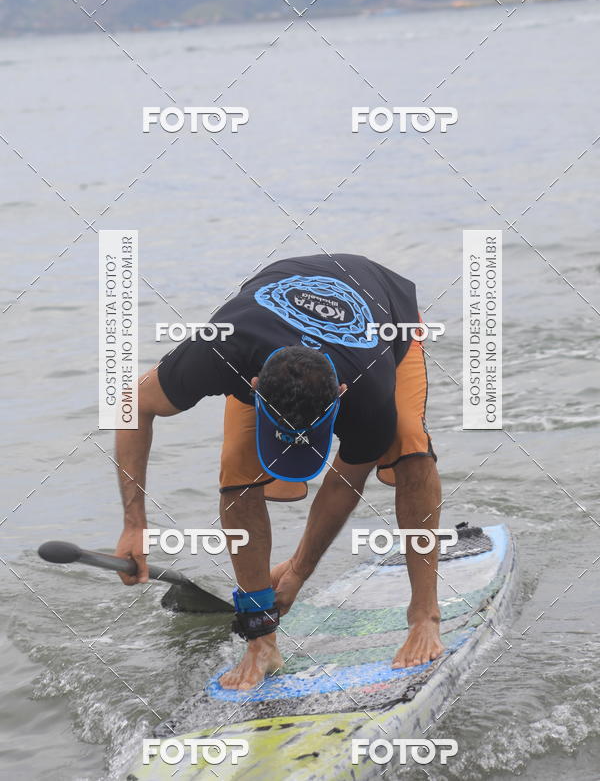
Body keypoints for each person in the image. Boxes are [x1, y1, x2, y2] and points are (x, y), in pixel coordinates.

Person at [114, 253, 443, 690]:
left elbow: (345, 481)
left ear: (341, 396)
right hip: (265, 334)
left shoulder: (368, 391)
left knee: (410, 451)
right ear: (251, 387)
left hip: (387, 317)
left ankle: (424, 614)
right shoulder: (220, 351)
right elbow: (133, 405)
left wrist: (298, 572)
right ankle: (261, 642)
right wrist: (135, 524)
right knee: (238, 473)